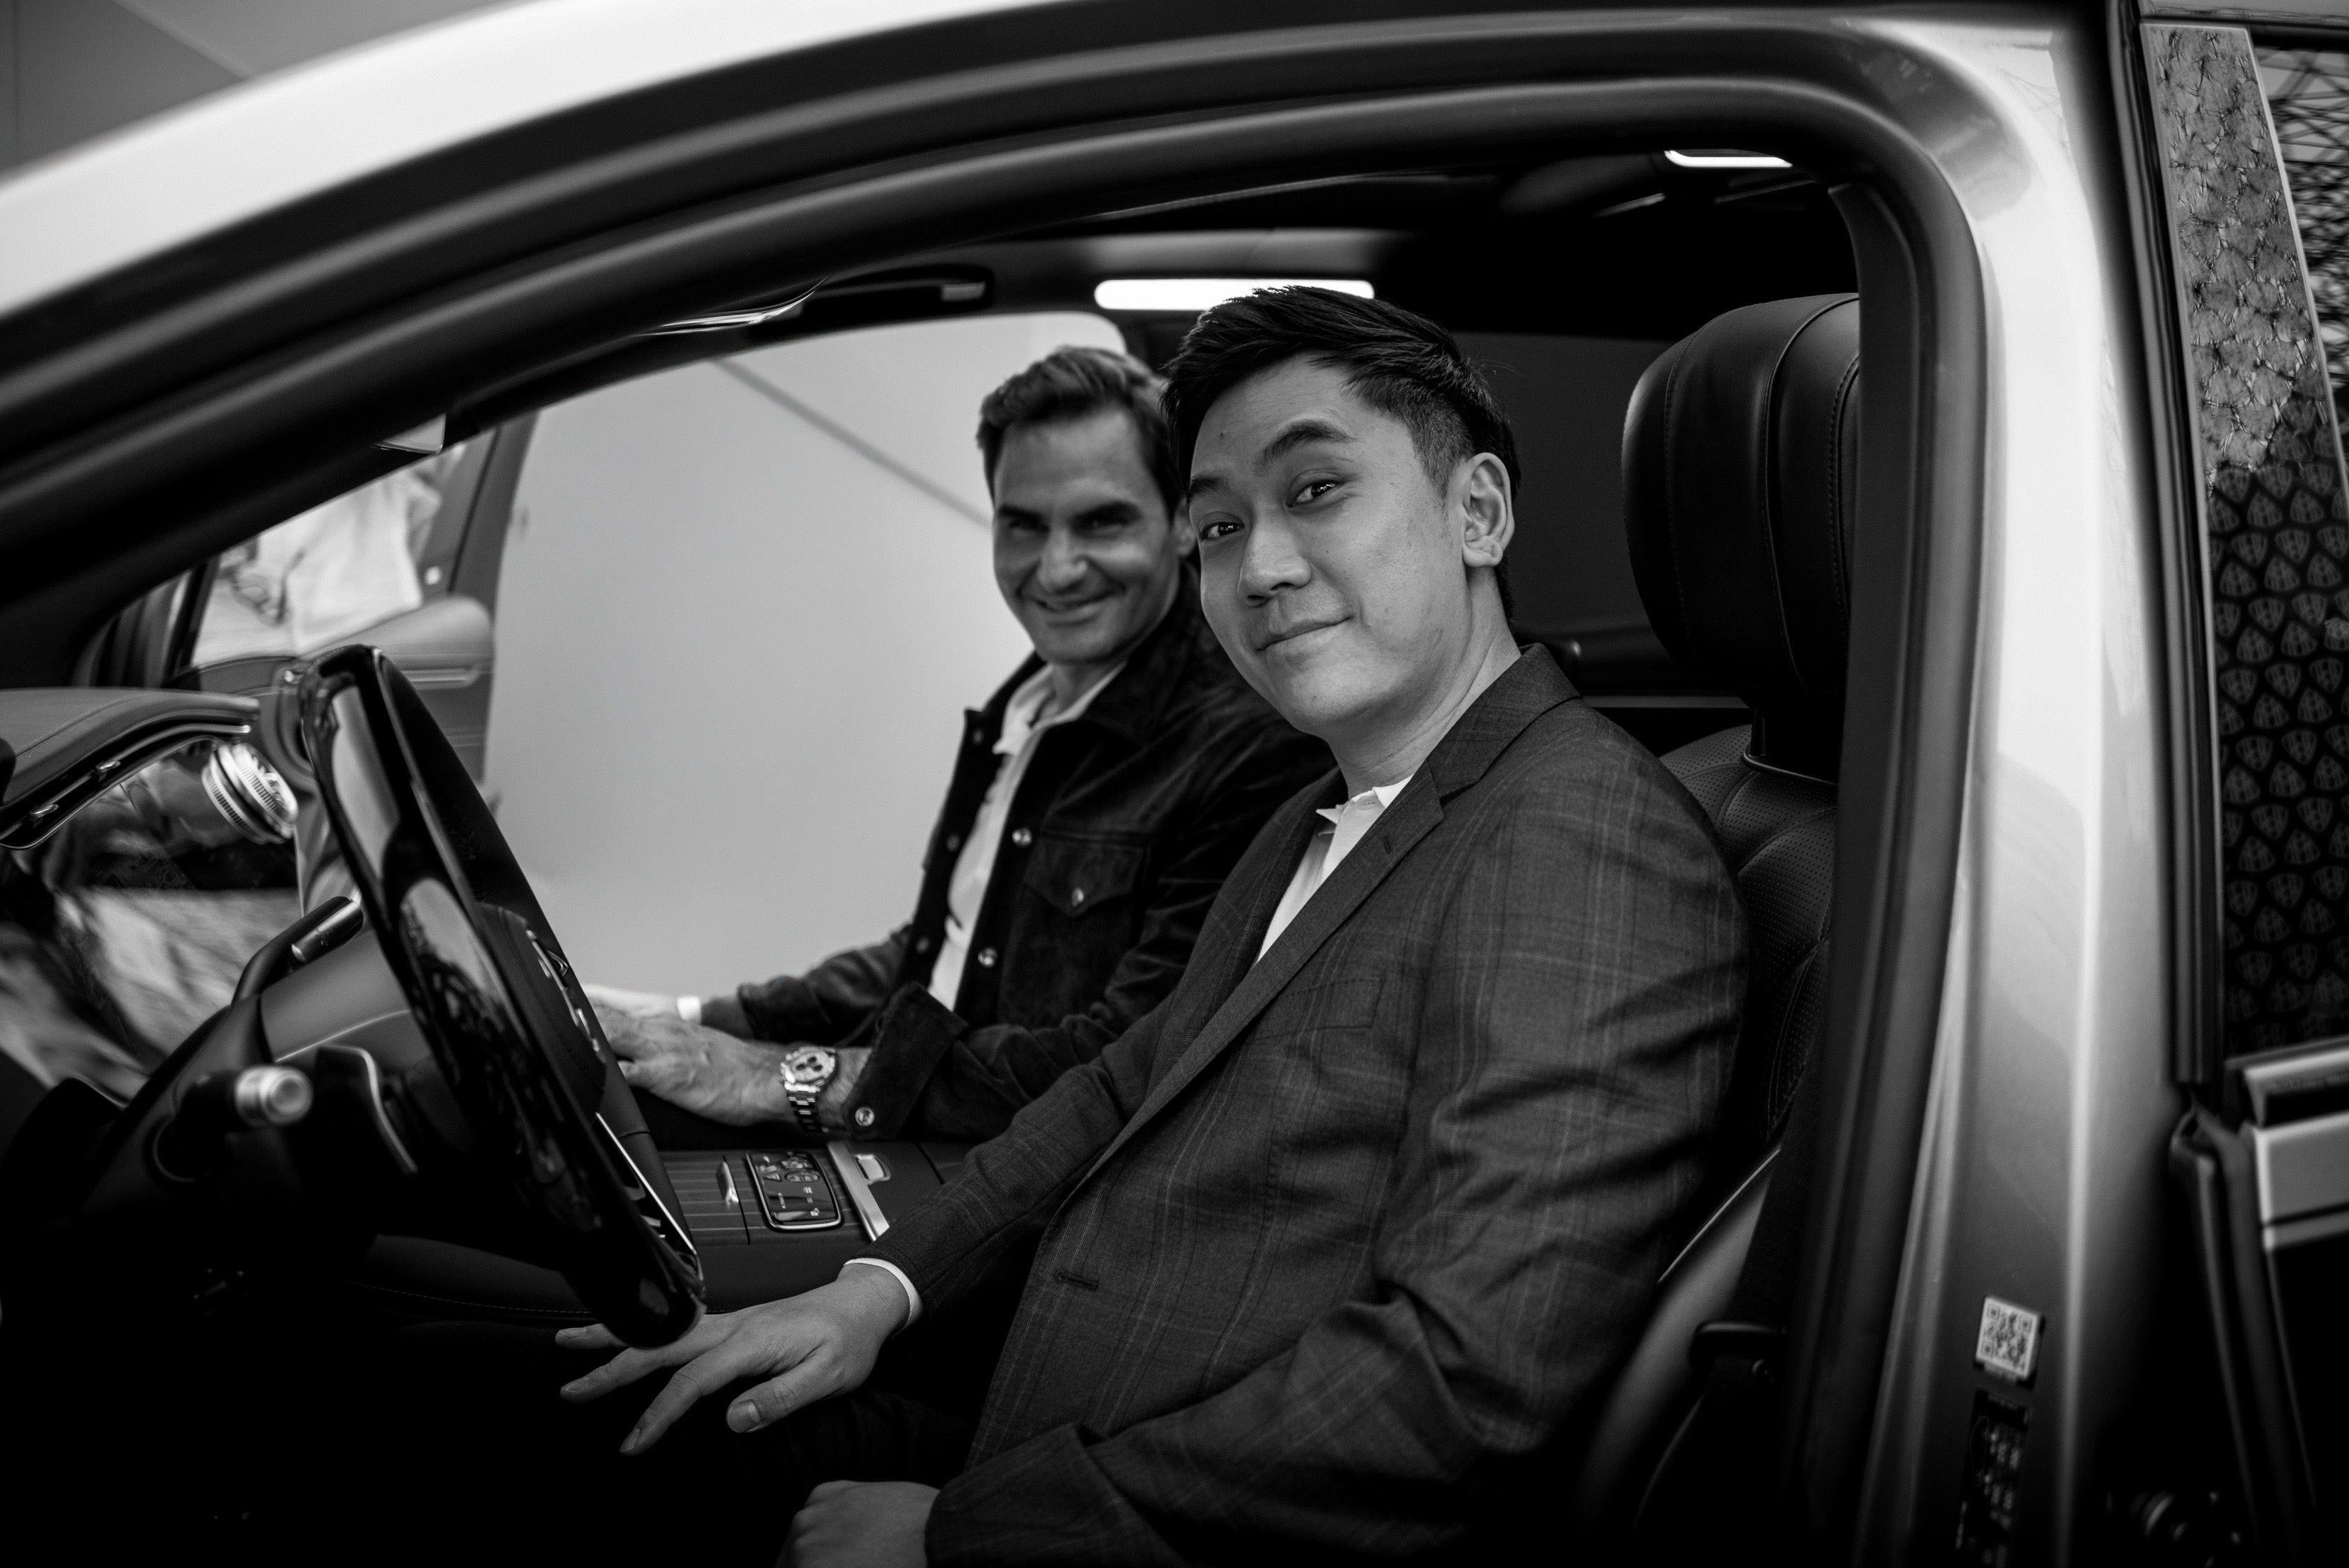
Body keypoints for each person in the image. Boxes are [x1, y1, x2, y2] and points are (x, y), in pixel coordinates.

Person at [540, 289, 1749, 1563]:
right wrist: (873, 1294)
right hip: (1052, 1413)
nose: (1262, 567)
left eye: (1318, 491)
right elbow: (1119, 1087)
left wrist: (967, 1533)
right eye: (1220, 524)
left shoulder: (1582, 838)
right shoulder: (1319, 817)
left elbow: (1460, 1381)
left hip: (1117, 1506)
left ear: (1478, 511)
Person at [588, 344, 1325, 1143]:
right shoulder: (1029, 700)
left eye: (1101, 521)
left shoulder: (1252, 745)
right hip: (912, 1127)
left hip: (1007, 1182)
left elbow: (1119, 1061)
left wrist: (779, 1076)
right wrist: (685, 1018)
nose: (1056, 567)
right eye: (1023, 525)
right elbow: (941, 950)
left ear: (1182, 520)